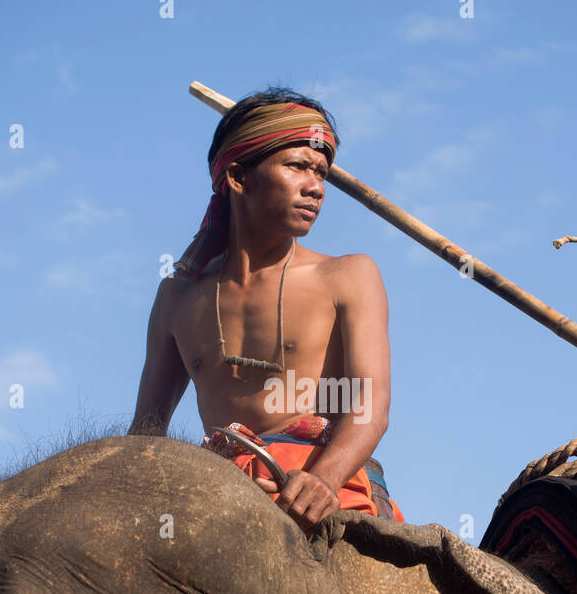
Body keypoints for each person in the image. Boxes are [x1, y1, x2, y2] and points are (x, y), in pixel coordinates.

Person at [128, 86, 405, 534]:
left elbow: (370, 403)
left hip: (327, 490)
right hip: (216, 495)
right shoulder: (177, 298)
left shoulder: (349, 275)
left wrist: (323, 480)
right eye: (298, 167)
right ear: (238, 177)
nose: (315, 187)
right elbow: (146, 431)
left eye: (322, 173)